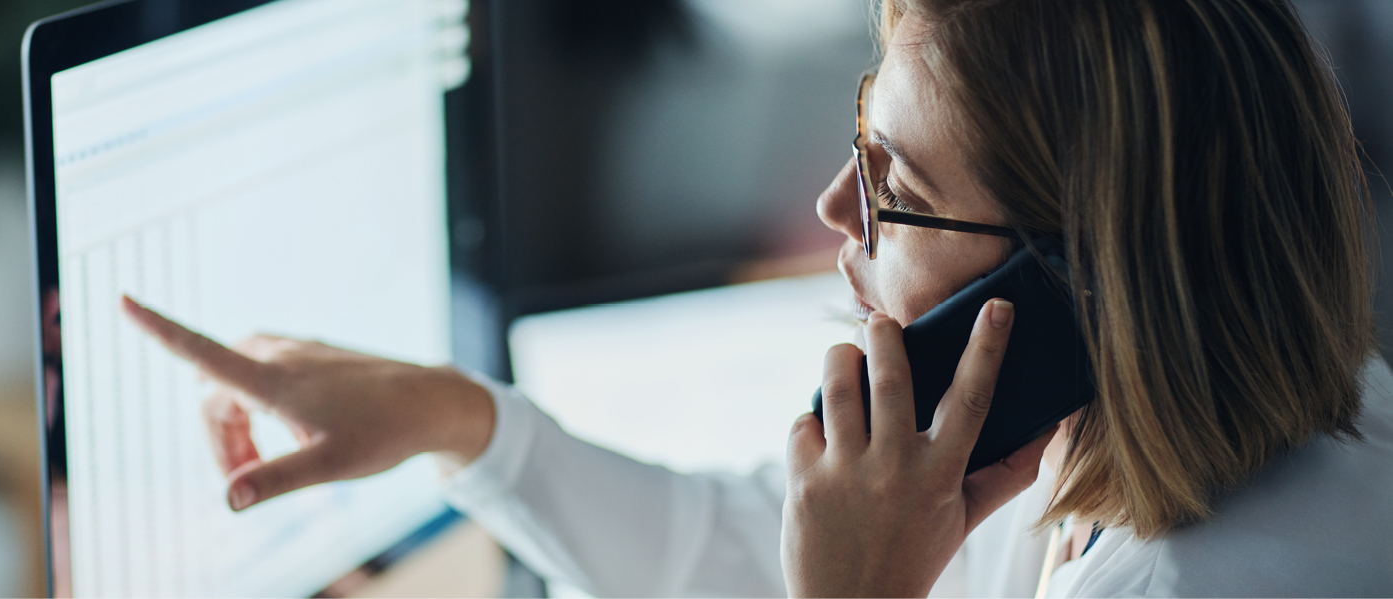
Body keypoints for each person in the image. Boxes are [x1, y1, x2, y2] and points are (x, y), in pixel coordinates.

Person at [120, 0, 1393, 595]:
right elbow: (740, 545)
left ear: (1068, 286)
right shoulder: (1100, 440)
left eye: (891, 182)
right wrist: (465, 423)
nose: (835, 211)